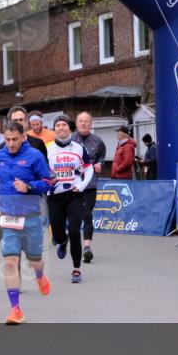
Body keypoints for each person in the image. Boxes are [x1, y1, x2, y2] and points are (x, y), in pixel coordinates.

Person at [0, 121, 53, 325]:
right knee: (10, 262)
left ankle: (40, 274)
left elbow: (48, 183)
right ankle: (15, 309)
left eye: (15, 139)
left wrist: (29, 186)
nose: (11, 144)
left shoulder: (35, 156)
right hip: (7, 217)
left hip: (31, 217)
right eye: (7, 139)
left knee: (34, 260)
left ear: (24, 137)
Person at [46, 115, 94, 283]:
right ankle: (62, 240)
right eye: (57, 125)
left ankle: (76, 269)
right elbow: (41, 171)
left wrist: (81, 186)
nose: (61, 127)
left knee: (74, 231)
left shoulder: (79, 148)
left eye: (64, 125)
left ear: (70, 129)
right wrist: (46, 180)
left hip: (75, 194)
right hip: (54, 196)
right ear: (54, 130)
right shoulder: (47, 149)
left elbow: (89, 169)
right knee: (58, 234)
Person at [72, 112, 106, 264]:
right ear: (77, 123)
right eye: (81, 121)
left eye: (87, 121)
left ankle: (86, 247)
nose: (84, 123)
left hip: (90, 184)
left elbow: (101, 156)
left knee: (87, 214)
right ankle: (67, 241)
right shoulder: (70, 140)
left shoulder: (97, 141)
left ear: (91, 124)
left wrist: (100, 164)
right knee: (73, 216)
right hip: (73, 184)